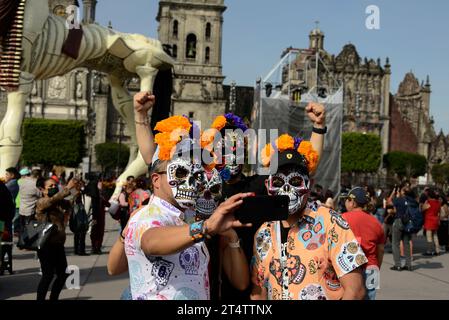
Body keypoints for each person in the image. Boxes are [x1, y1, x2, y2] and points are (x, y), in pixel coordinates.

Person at [205, 102, 326, 300]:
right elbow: (157, 165)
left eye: (238, 150)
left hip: (247, 288)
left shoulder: (258, 186)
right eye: (225, 149)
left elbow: (304, 166)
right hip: (203, 285)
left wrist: (319, 128)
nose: (232, 156)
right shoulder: (202, 187)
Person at [251, 134, 367, 300]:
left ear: (309, 184)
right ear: (268, 186)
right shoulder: (263, 234)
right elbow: (258, 294)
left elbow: (355, 291)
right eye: (277, 182)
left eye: (295, 181)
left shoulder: (332, 223)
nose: (286, 189)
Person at [35, 177, 79, 300]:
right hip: (45, 245)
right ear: (42, 190)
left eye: (55, 186)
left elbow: (71, 201)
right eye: (50, 186)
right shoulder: (41, 202)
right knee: (48, 275)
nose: (54, 188)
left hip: (58, 244)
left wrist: (76, 188)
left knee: (62, 274)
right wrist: (68, 188)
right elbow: (52, 201)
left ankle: (54, 297)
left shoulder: (59, 202)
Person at [342, 187, 385, 300]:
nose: (345, 202)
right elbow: (380, 250)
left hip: (348, 268)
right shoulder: (376, 223)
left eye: (347, 199)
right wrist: (376, 267)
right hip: (372, 267)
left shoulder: (342, 219)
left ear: (353, 202)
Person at [388, 185, 418, 271]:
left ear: (403, 192)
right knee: (406, 243)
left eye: (400, 190)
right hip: (408, 223)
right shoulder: (413, 201)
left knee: (395, 243)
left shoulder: (399, 200)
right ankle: (408, 265)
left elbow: (389, 202)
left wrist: (393, 192)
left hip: (399, 221)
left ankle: (397, 265)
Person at [0, 180, 15, 275]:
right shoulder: (3, 187)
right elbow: (10, 205)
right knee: (4, 246)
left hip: (2, 221)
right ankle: (4, 266)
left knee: (4, 245)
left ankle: (3, 266)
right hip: (4, 221)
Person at [422, 189, 441, 256]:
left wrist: (425, 203)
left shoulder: (428, 202)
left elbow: (423, 209)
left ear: (429, 195)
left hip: (429, 220)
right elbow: (439, 212)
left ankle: (429, 251)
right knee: (435, 235)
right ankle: (437, 250)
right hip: (435, 220)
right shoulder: (438, 202)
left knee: (429, 236)